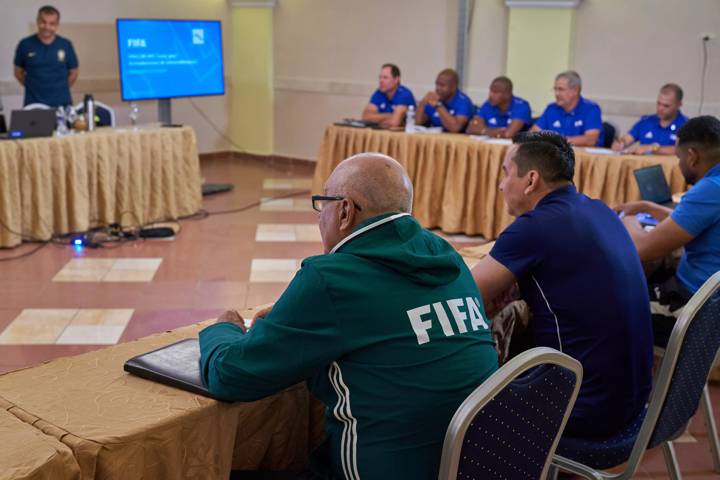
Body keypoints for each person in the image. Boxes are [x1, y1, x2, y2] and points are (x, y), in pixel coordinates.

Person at [199, 153, 498, 479]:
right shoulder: (448, 258)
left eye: (321, 203)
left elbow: (229, 376)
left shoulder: (332, 278)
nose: (318, 217)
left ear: (344, 210)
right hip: (472, 465)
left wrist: (223, 327)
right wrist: (295, 322)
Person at [471, 131, 653, 437]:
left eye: (505, 173)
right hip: (632, 402)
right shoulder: (600, 210)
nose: (501, 185)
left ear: (530, 180)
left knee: (460, 394)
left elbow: (464, 296)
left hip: (581, 408)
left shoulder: (533, 228)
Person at [616, 115, 720, 346]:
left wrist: (629, 220)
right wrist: (647, 207)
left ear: (692, 156)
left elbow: (642, 249)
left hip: (690, 312)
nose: (679, 164)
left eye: (679, 157)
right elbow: (691, 221)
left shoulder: (708, 190)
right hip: (707, 306)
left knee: (603, 308)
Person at [13, 5, 79, 107]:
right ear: (38, 21)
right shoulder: (25, 44)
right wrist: (33, 87)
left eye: (52, 23)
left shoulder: (66, 44)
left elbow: (74, 73)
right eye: (43, 22)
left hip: (62, 105)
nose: (47, 27)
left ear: (57, 25)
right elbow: (18, 72)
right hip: (33, 105)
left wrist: (60, 88)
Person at [532, 71, 603, 147]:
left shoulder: (591, 109)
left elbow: (590, 140)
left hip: (583, 157)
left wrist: (557, 141)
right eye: (555, 89)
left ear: (575, 91)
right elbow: (534, 133)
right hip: (555, 155)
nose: (556, 94)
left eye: (561, 89)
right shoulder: (552, 109)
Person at [612, 84, 688, 155]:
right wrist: (620, 143)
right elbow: (627, 138)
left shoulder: (686, 126)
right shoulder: (647, 121)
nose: (660, 108)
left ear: (679, 105)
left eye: (666, 106)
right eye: (658, 103)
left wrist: (653, 148)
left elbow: (684, 150)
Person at [466, 76, 532, 138]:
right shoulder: (488, 104)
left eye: (495, 92)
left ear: (508, 94)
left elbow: (508, 134)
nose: (491, 95)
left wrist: (483, 130)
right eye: (491, 91)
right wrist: (486, 131)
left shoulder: (521, 106)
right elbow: (471, 129)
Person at [415, 68, 473, 133]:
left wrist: (438, 106)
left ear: (453, 87)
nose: (438, 88)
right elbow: (418, 122)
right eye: (437, 84)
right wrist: (422, 103)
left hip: (455, 141)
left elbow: (455, 128)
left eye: (442, 85)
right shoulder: (435, 98)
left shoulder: (464, 102)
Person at [361, 63, 416, 128]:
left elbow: (395, 122)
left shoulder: (404, 94)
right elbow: (365, 117)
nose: (381, 81)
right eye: (380, 77)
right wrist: (390, 115)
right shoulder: (379, 93)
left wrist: (376, 118)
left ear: (396, 79)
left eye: (385, 78)